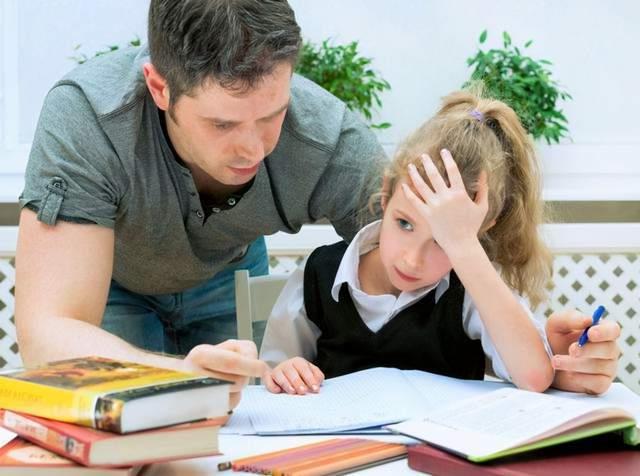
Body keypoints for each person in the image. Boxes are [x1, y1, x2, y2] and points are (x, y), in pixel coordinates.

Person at [15, 0, 618, 406]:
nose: (253, 148)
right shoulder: (89, 119)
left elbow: (422, 262)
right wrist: (182, 376)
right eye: (223, 123)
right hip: (113, 287)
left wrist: (550, 360)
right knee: (133, 434)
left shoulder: (328, 139)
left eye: (272, 115)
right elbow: (49, 335)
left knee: (223, 435)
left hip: (226, 273)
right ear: (159, 87)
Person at [260, 90, 620, 396]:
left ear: (479, 231)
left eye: (443, 242)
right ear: (386, 193)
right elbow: (271, 375)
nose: (412, 260)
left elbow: (534, 376)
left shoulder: (473, 288)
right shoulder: (318, 275)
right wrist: (283, 373)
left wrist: (464, 247)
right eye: (404, 223)